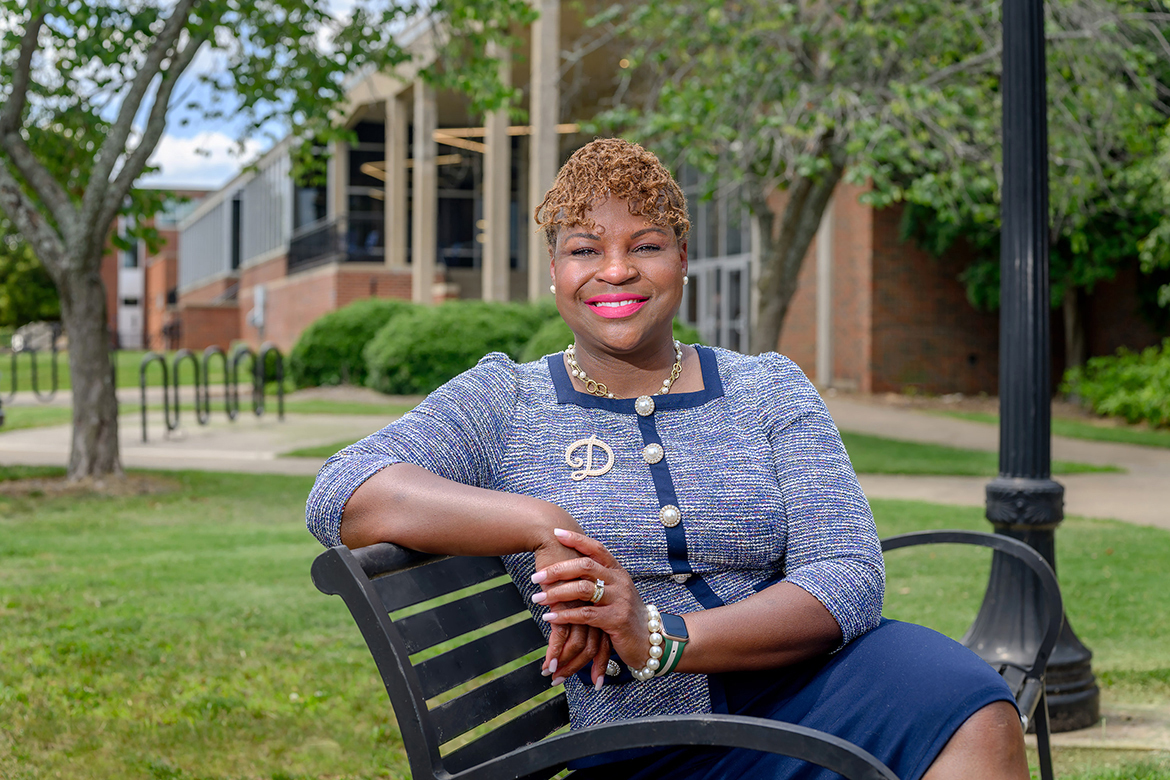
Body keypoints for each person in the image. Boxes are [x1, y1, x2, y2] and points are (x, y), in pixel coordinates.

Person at [306, 138, 1028, 780]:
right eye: (585, 249)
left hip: (812, 684)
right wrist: (541, 523)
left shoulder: (766, 386)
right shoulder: (506, 401)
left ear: (683, 257)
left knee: (971, 702)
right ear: (554, 269)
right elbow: (342, 495)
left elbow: (847, 571)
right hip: (649, 740)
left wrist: (661, 634)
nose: (615, 271)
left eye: (645, 245)